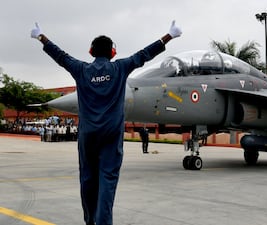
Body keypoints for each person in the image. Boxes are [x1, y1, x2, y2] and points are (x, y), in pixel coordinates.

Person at [31, 21, 182, 225]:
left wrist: (41, 37)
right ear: (112, 52)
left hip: (87, 135)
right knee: (107, 181)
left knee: (87, 179)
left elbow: (60, 56)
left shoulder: (81, 69)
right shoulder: (120, 68)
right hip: (111, 135)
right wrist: (169, 36)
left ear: (91, 51)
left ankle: (90, 221)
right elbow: (145, 54)